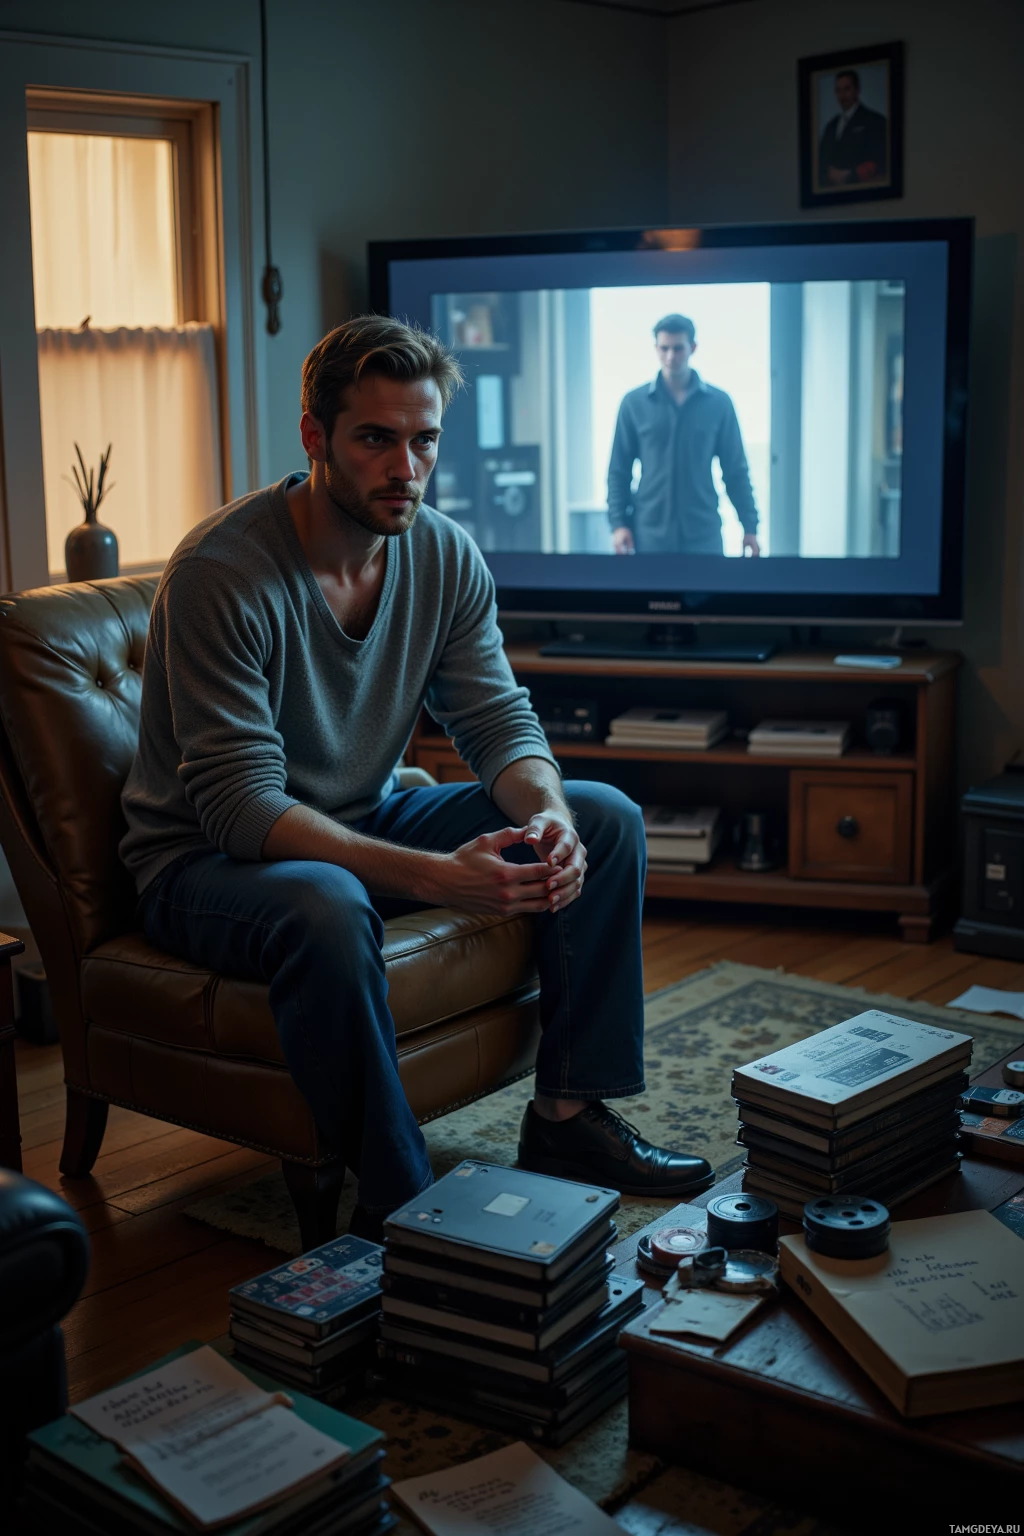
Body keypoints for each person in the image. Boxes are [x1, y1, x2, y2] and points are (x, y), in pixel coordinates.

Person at [119, 315, 714, 1242]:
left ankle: (567, 1118)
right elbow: (239, 807)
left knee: (603, 817)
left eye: (424, 439)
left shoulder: (440, 552)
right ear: (316, 438)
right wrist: (438, 876)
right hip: (204, 862)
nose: (406, 466)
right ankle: (402, 1201)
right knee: (324, 904)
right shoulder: (223, 573)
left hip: (363, 815)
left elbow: (496, 721)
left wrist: (549, 813)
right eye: (375, 439)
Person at [607, 314, 760, 557]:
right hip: (649, 537)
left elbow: (735, 471)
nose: (670, 356)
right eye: (664, 348)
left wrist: (749, 527)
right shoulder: (633, 404)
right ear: (656, 348)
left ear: (693, 348)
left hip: (703, 536)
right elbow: (619, 471)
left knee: (707, 597)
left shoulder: (719, 404)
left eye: (678, 348)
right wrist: (618, 524)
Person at [817, 68, 888, 188]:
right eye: (838, 90)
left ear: (857, 89)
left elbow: (882, 160)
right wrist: (829, 173)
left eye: (847, 89)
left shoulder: (875, 121)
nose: (842, 95)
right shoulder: (831, 126)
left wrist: (852, 174)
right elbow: (820, 160)